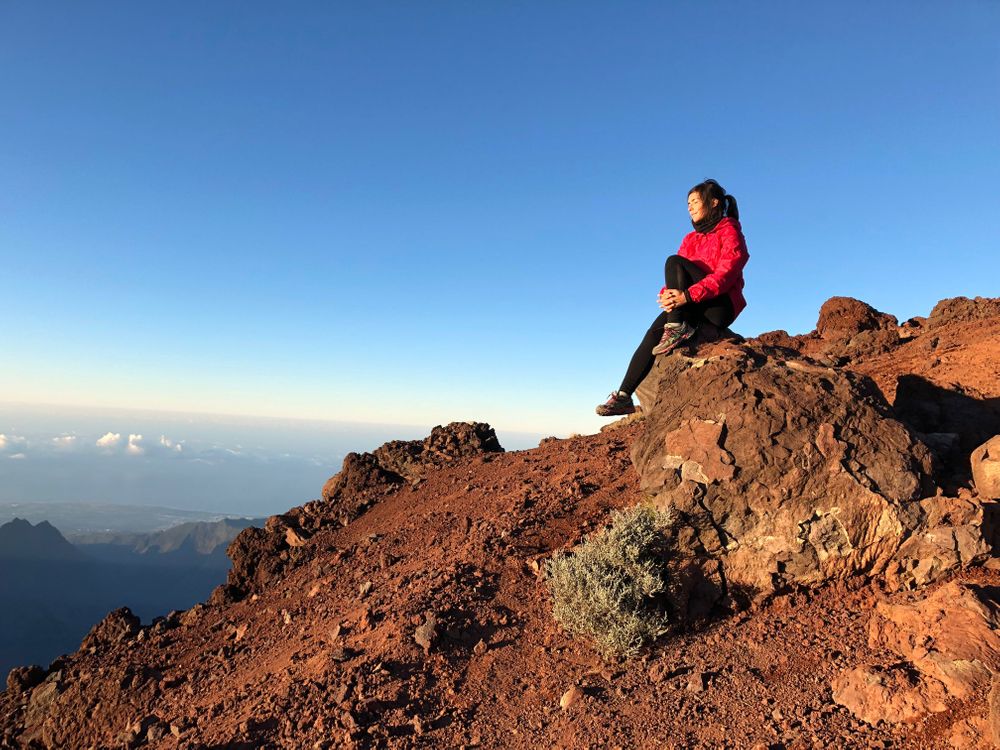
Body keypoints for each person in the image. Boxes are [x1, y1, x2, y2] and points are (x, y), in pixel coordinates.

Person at [596, 179, 750, 417]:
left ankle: (677, 326)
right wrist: (667, 296)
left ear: (714, 202)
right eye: (687, 203)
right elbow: (677, 276)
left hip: (720, 305)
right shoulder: (690, 239)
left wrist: (687, 295)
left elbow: (727, 274)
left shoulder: (729, 230)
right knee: (653, 333)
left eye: (695, 201)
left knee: (672, 261)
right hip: (692, 303)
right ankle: (624, 396)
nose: (689, 207)